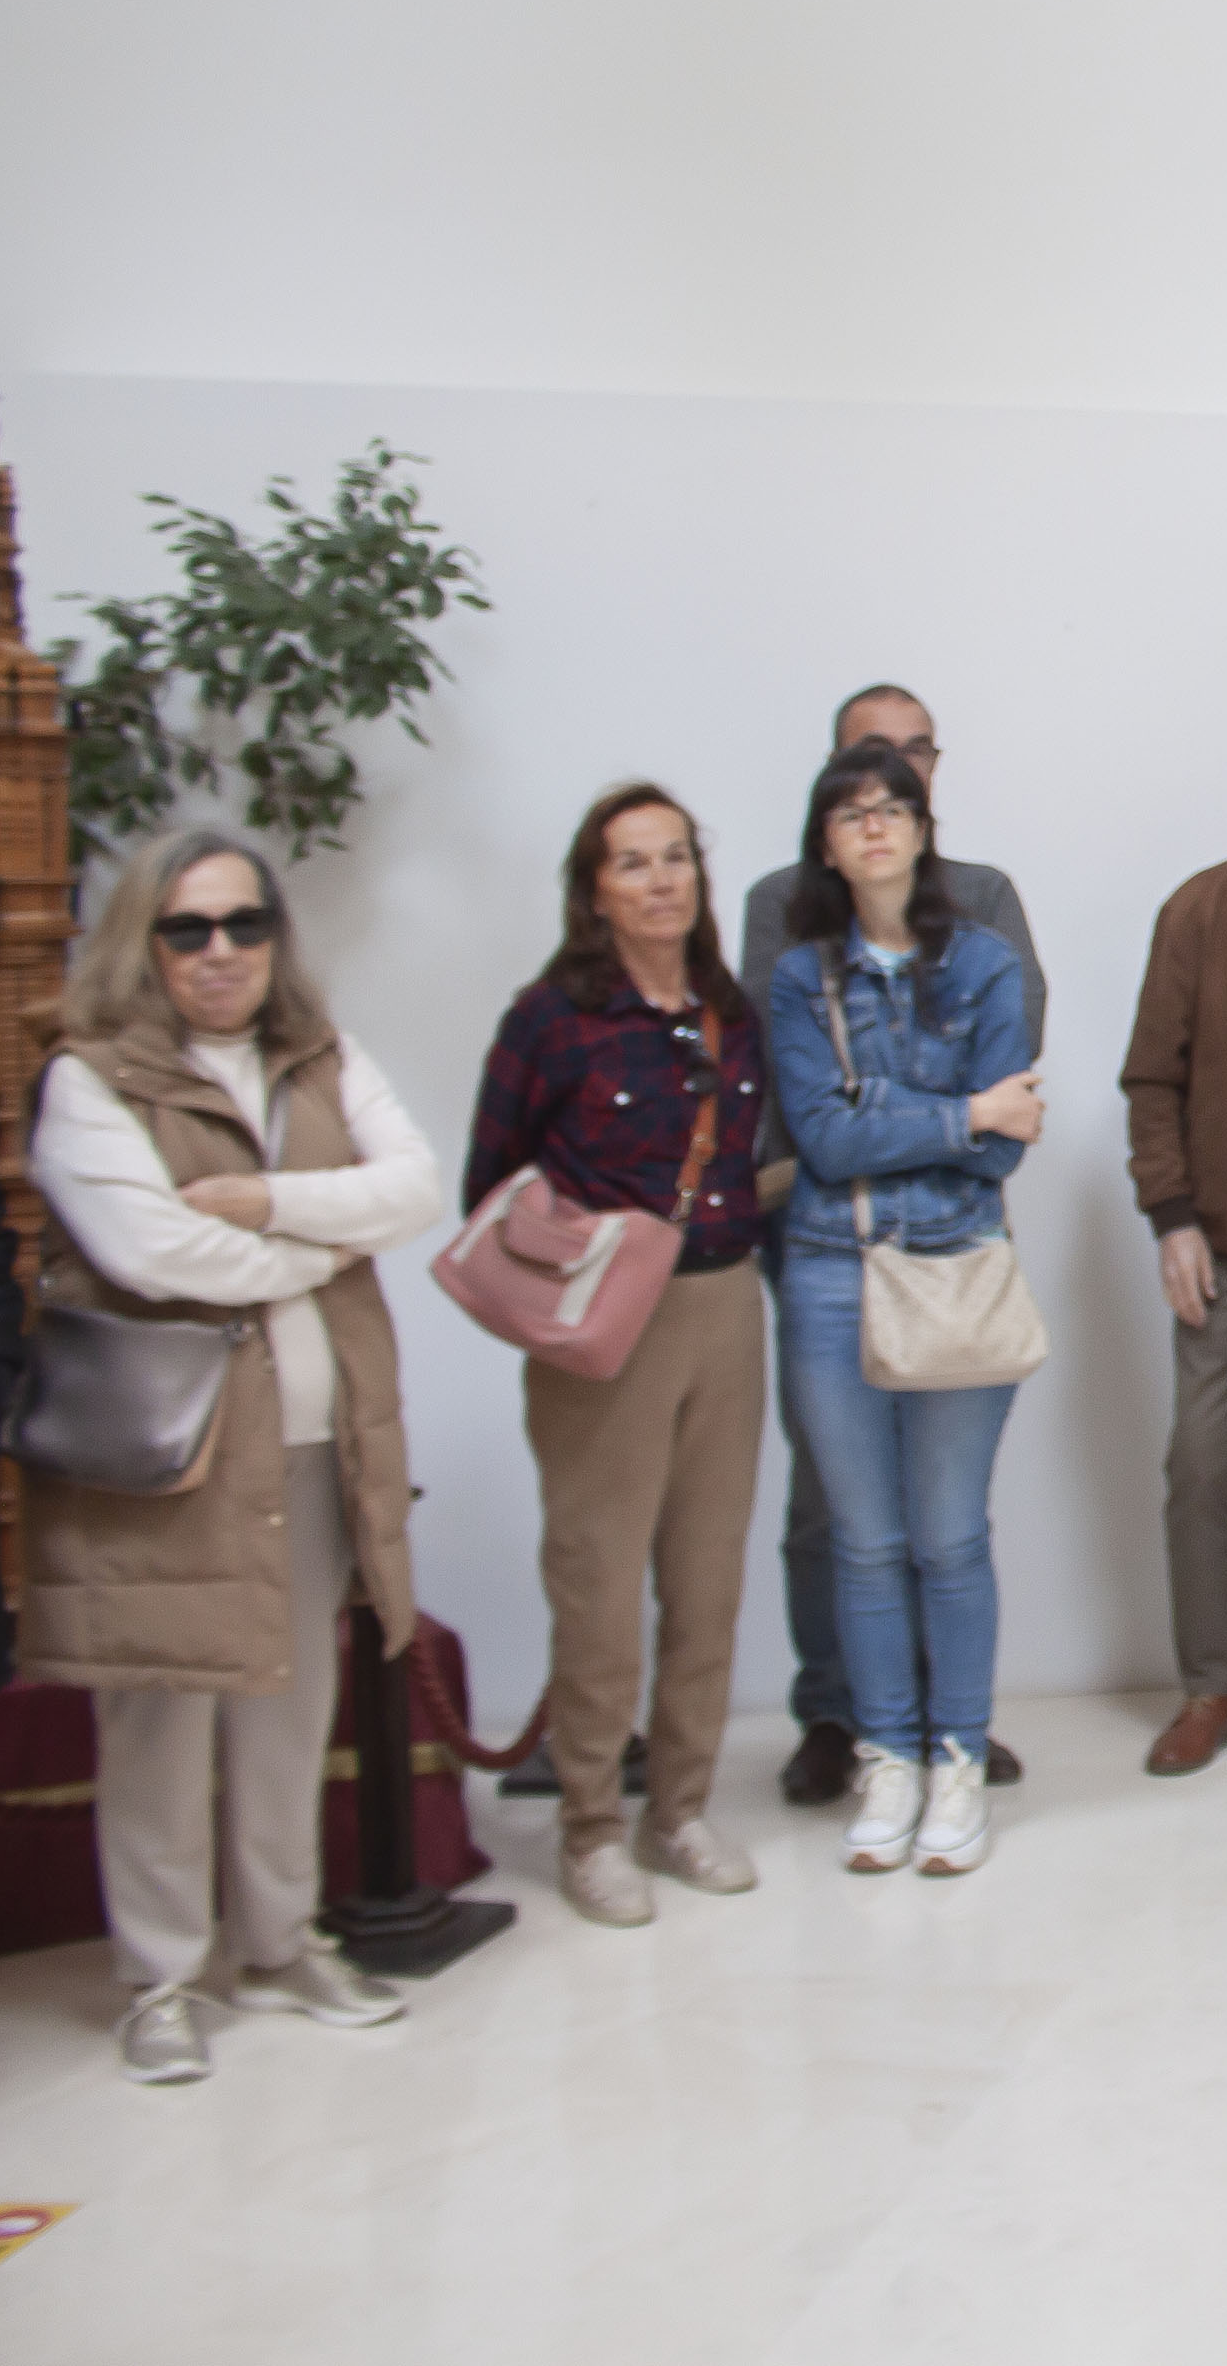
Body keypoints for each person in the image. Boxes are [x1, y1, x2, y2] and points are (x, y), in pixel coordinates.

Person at [23, 829, 442, 2083]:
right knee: (160, 1714)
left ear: (275, 937)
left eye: (244, 923)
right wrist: (328, 1244)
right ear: (145, 942)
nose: (221, 950)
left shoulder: (322, 1054)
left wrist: (268, 1203)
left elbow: (413, 1187)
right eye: (189, 927)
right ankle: (159, 1975)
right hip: (173, 1458)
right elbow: (151, 1251)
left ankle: (280, 1942)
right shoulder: (90, 1078)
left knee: (287, 1705)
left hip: (319, 1442)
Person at [464, 784, 776, 1926]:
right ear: (593, 890)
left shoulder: (729, 1011)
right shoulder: (550, 1020)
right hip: (605, 1329)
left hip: (726, 1309)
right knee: (597, 1585)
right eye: (633, 862)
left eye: (676, 856)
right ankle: (590, 1828)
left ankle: (678, 1811)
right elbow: (493, 1184)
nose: (660, 880)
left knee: (707, 1580)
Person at [746, 683, 1044, 1808]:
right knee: (847, 1528)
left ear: (927, 810)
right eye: (856, 791)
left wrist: (904, 1113)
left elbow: (1009, 1130)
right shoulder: (788, 940)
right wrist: (960, 1111)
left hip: (956, 1250)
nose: (880, 808)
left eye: (905, 778)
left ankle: (951, 1739)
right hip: (825, 1249)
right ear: (824, 824)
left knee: (948, 1531)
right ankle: (863, 1735)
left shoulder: (985, 933)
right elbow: (815, 1126)